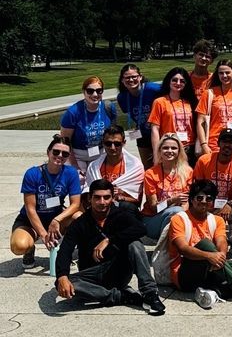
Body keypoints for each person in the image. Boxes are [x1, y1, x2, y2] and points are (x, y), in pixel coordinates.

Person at [54, 179, 165, 315]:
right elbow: (65, 250)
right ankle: (122, 296)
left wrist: (109, 240)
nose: (102, 202)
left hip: (118, 270)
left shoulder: (119, 215)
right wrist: (62, 276)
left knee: (135, 244)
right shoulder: (80, 223)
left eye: (106, 197)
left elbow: (141, 229)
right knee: (62, 283)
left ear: (112, 198)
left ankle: (150, 294)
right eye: (97, 198)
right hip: (92, 275)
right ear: (90, 199)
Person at [168, 179, 232, 308]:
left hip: (210, 269)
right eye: (199, 198)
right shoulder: (179, 219)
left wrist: (220, 257)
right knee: (206, 244)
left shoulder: (217, 220)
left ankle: (215, 293)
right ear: (191, 199)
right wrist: (209, 256)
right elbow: (183, 248)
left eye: (208, 199)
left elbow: (222, 242)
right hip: (184, 274)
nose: (204, 202)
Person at [11, 134, 82, 269]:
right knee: (19, 246)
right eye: (56, 151)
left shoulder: (71, 173)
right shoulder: (33, 173)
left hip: (55, 216)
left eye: (65, 153)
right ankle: (29, 250)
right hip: (30, 220)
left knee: (79, 217)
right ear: (48, 152)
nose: (60, 155)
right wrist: (43, 234)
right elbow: (30, 208)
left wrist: (57, 220)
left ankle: (66, 251)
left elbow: (75, 204)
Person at [192, 128, 232, 254]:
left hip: (228, 204)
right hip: (207, 202)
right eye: (224, 141)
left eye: (231, 142)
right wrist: (208, 203)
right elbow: (197, 188)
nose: (227, 145)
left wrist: (231, 203)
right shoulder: (204, 160)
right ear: (218, 143)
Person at [59, 75, 118, 173]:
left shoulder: (108, 107)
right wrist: (74, 166)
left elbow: (113, 135)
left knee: (99, 184)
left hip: (100, 153)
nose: (95, 94)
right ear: (84, 92)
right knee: (80, 182)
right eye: (90, 91)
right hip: (77, 155)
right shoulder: (73, 112)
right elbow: (65, 141)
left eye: (99, 90)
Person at [142, 133, 193, 239]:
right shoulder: (150, 173)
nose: (170, 151)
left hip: (179, 218)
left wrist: (183, 217)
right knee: (176, 211)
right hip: (153, 219)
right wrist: (173, 200)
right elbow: (154, 208)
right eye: (165, 148)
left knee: (179, 213)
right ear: (159, 151)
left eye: (174, 148)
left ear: (179, 151)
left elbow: (186, 203)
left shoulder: (188, 172)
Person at [148, 67, 199, 165]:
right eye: (174, 80)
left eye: (182, 81)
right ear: (168, 81)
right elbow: (155, 129)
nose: (178, 83)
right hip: (170, 148)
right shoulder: (159, 102)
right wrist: (156, 154)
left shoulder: (191, 102)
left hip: (189, 148)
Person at [115, 64, 162, 167]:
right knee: (148, 167)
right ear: (122, 80)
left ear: (140, 77)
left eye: (134, 76)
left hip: (160, 132)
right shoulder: (122, 97)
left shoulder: (153, 89)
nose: (131, 80)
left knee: (163, 163)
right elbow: (129, 114)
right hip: (142, 134)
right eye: (127, 77)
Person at [85, 124, 144, 204]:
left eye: (117, 144)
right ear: (103, 143)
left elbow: (138, 200)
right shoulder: (93, 168)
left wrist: (123, 194)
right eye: (108, 143)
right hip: (99, 206)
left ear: (124, 143)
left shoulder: (135, 167)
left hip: (122, 207)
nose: (112, 147)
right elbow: (88, 195)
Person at [196, 59, 232, 157]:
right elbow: (200, 122)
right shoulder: (209, 94)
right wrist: (204, 145)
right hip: (214, 145)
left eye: (227, 72)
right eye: (221, 73)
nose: (224, 76)